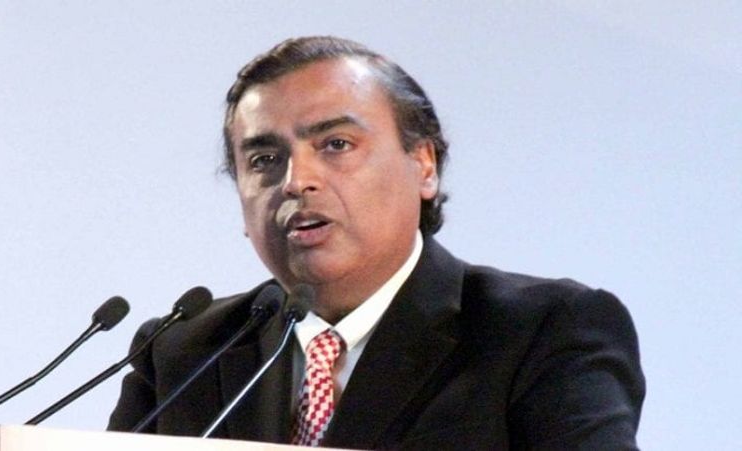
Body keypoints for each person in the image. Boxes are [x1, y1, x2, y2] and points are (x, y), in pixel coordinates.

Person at [108, 36, 645, 450]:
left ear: (424, 165)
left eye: (336, 144)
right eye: (264, 160)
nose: (296, 181)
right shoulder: (183, 353)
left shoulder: (544, 331)